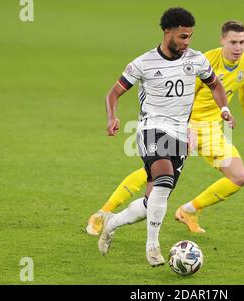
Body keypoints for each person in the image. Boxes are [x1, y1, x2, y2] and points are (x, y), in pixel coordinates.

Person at [88, 19, 244, 241]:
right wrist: (187, 128)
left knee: (239, 176)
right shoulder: (203, 60)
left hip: (212, 130)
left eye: (242, 42)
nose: (238, 48)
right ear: (222, 41)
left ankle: (189, 210)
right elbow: (184, 96)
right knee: (155, 173)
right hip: (181, 125)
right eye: (233, 42)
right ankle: (103, 214)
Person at [100, 7, 233, 267]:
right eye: (182, 37)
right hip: (151, 128)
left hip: (180, 134)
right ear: (167, 32)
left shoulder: (195, 59)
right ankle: (153, 248)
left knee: (154, 201)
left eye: (190, 37)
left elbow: (215, 84)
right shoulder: (143, 63)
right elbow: (113, 93)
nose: (187, 42)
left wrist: (224, 109)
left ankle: (111, 222)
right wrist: (112, 117)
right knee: (164, 178)